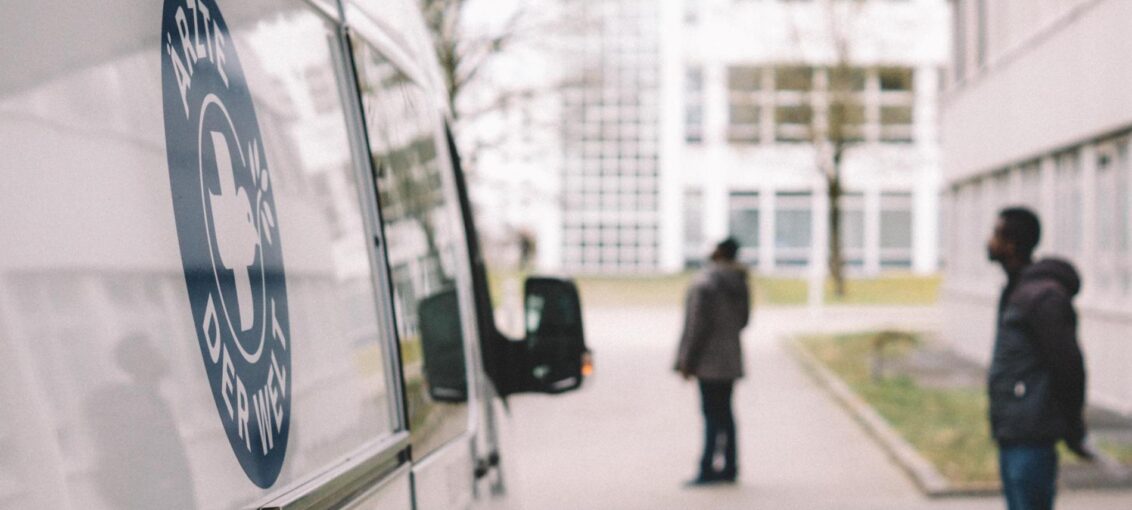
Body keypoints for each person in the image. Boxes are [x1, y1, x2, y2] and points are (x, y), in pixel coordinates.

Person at [986, 207, 1091, 510]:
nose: (990, 241)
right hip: (1013, 432)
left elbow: (1069, 365)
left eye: (996, 233)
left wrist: (1073, 428)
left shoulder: (1042, 297)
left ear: (1012, 243)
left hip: (1032, 435)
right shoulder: (1017, 289)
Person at [675, 237, 750, 486]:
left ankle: (707, 467)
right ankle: (730, 466)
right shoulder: (740, 283)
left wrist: (686, 361)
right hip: (730, 358)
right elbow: (744, 321)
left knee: (710, 415)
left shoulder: (704, 283)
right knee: (726, 414)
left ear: (717, 253)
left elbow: (696, 326)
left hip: (707, 361)